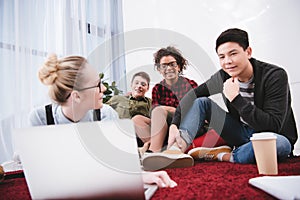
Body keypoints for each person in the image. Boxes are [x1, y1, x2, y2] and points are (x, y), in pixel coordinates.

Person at [27, 53, 177, 188]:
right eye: (97, 85)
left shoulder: (106, 114)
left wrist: (138, 176)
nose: (104, 89)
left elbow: (116, 163)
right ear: (76, 96)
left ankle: (151, 151)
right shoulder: (40, 118)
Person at [166, 28, 297, 164]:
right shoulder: (223, 75)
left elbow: (272, 126)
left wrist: (235, 98)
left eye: (233, 54)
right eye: (222, 57)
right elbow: (192, 95)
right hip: (240, 133)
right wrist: (174, 124)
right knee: (202, 102)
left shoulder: (274, 75)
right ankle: (176, 150)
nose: (227, 61)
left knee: (278, 143)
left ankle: (224, 155)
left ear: (248, 52)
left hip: (272, 137)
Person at [106, 72, 152, 145]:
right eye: (136, 83)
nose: (139, 86)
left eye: (143, 84)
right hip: (120, 135)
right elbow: (102, 111)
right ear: (131, 84)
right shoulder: (117, 99)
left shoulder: (151, 103)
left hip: (140, 138)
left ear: (147, 88)